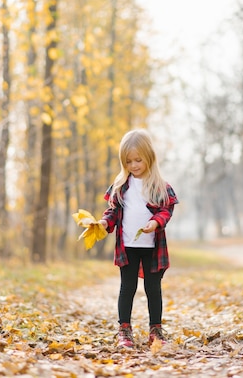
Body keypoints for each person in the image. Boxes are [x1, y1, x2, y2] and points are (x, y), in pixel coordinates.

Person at [99, 129, 179, 349]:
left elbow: (166, 210)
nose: (133, 165)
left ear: (149, 157)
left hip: (152, 246)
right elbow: (113, 211)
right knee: (128, 287)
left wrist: (155, 223)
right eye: (128, 161)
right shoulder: (121, 186)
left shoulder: (159, 186)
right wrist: (104, 223)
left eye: (138, 160)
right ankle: (124, 330)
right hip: (128, 246)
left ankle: (155, 330)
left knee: (153, 289)